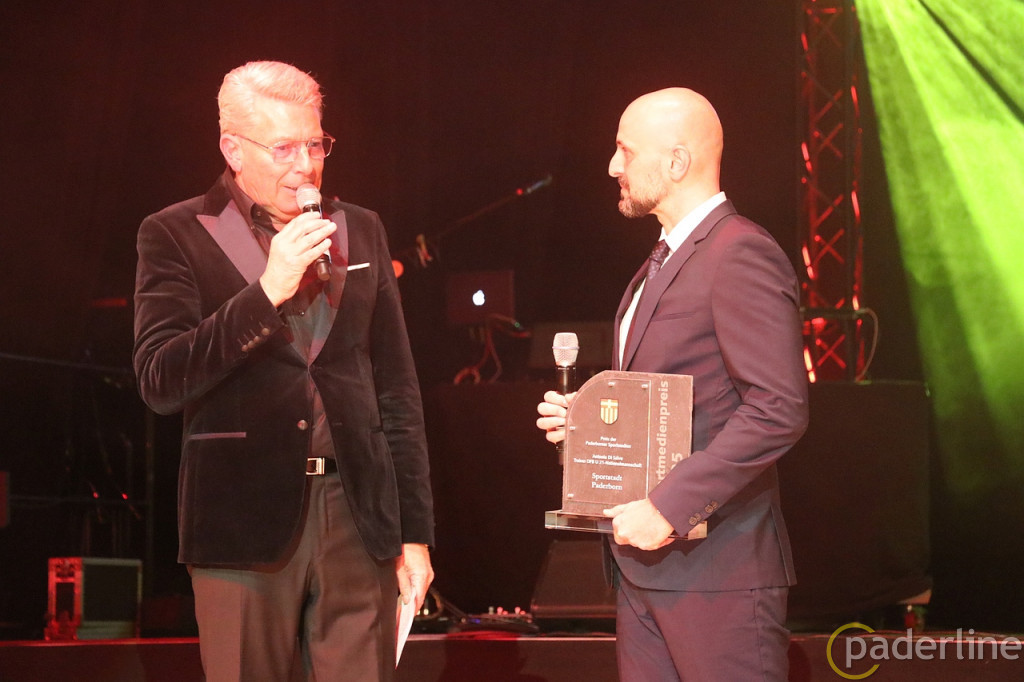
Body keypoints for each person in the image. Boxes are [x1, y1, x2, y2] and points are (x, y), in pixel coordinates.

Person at [133, 61, 434, 681]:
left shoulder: (360, 229)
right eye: (284, 148)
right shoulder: (175, 233)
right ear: (233, 150)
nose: (306, 165)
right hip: (241, 527)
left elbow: (397, 389)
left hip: (358, 519)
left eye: (315, 144)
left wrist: (415, 532)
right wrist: (265, 292)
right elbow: (161, 379)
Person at [536, 88, 809, 681]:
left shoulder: (739, 252)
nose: (613, 166)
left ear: (677, 161)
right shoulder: (660, 262)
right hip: (646, 569)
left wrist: (668, 505)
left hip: (717, 573)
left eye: (626, 151)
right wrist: (586, 424)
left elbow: (778, 407)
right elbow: (678, 397)